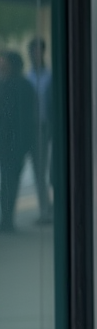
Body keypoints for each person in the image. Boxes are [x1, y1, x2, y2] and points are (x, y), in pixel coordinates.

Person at [0, 51, 38, 232]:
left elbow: (27, 119)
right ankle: (6, 218)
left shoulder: (22, 86)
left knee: (10, 182)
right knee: (8, 182)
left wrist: (25, 144)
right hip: (8, 143)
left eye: (4, 62)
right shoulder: (6, 85)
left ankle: (7, 219)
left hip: (13, 143)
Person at [25, 38, 52, 224]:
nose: (35, 54)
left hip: (47, 126)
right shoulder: (28, 77)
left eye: (38, 50)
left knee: (49, 169)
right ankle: (45, 208)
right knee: (38, 169)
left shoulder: (49, 76)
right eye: (32, 51)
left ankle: (49, 208)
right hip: (32, 127)